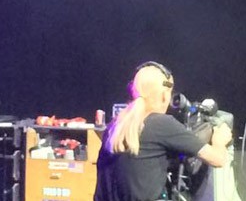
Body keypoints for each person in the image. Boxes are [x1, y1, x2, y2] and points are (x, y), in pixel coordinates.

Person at [94, 61, 232, 201]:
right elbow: (218, 159)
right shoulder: (161, 124)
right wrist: (219, 142)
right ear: (165, 95)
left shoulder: (114, 127)